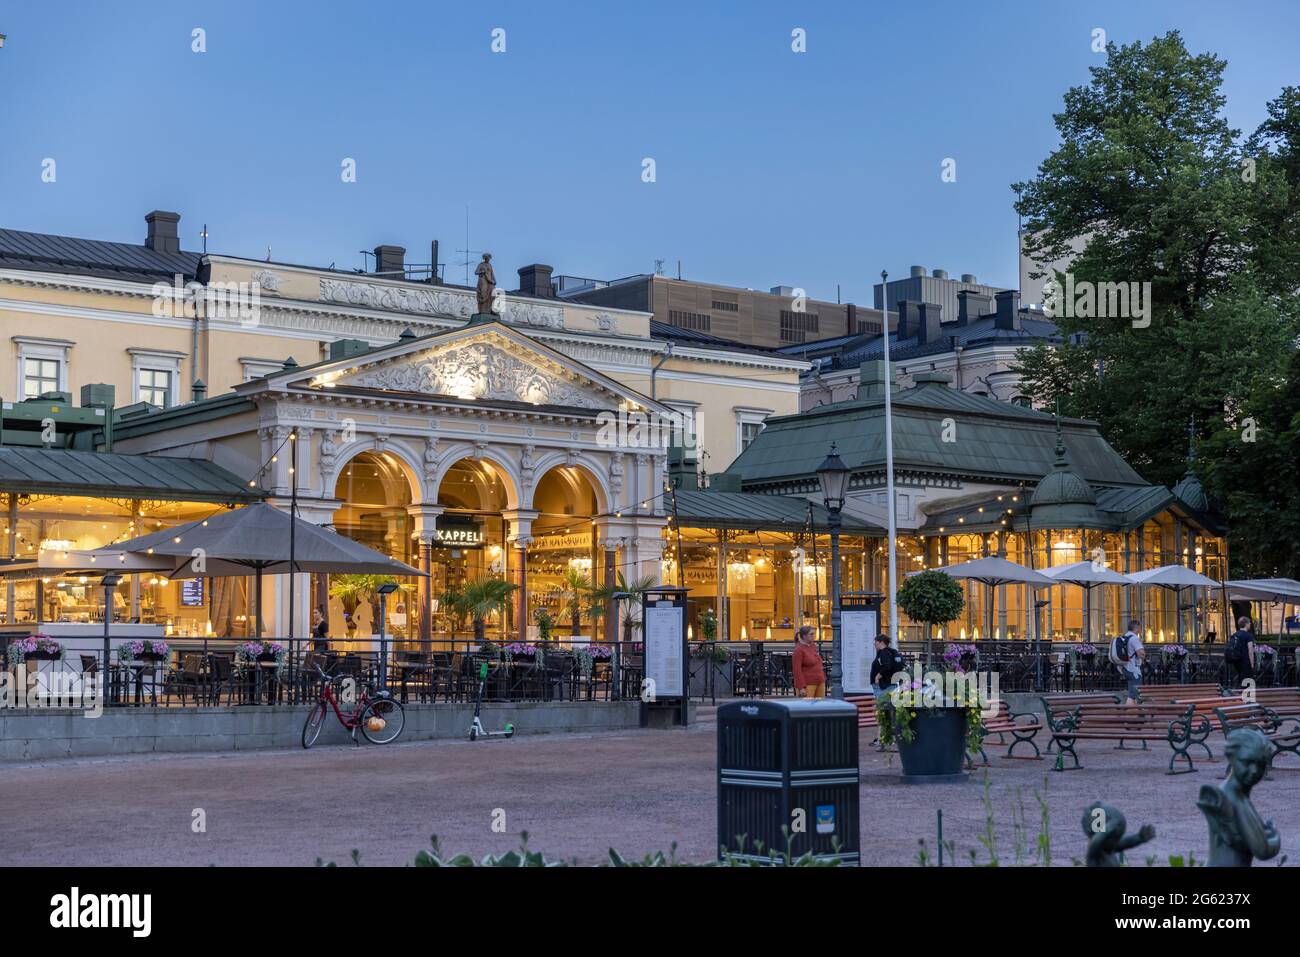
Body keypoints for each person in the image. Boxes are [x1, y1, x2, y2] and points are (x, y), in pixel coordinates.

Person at [1109, 618, 1144, 704]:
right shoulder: (1135, 638)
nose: (1140, 630)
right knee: (1133, 694)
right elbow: (1141, 654)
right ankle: (1129, 713)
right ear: (1136, 628)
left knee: (1132, 692)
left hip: (1124, 667)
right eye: (1140, 628)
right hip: (1133, 669)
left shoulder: (1125, 637)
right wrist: (1144, 655)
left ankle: (1132, 712)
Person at [792, 626, 826, 699]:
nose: (814, 636)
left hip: (820, 681)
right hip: (808, 684)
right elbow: (797, 670)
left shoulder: (813, 646)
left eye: (814, 634)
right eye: (811, 634)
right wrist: (801, 687)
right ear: (804, 636)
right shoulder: (798, 650)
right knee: (807, 707)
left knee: (821, 707)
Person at [1224, 616, 1255, 689]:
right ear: (1246, 624)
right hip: (1245, 661)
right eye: (1249, 623)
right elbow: (1250, 650)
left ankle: (1238, 695)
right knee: (1247, 681)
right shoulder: (1248, 636)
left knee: (1240, 678)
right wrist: (1252, 664)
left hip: (1236, 660)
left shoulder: (1234, 635)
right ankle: (1246, 697)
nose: (1250, 624)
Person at [870, 634, 903, 699]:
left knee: (881, 705)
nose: (874, 644)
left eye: (876, 642)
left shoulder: (884, 653)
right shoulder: (890, 652)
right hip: (888, 685)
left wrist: (877, 676)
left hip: (883, 686)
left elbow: (887, 666)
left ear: (881, 642)